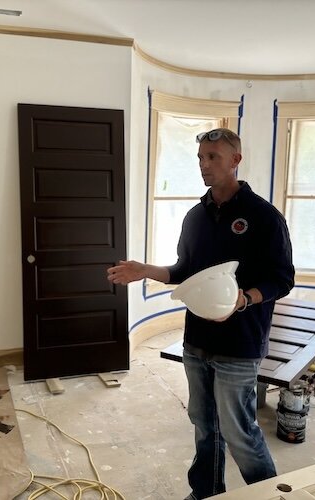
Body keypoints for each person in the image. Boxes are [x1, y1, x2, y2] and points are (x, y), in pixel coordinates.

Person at [107, 128, 294, 499]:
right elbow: (183, 272)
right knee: (205, 426)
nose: (204, 165)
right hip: (197, 342)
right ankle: (207, 493)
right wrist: (145, 270)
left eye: (213, 157)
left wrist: (243, 300)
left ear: (235, 160)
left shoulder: (264, 217)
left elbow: (282, 279)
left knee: (239, 431)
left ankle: (271, 495)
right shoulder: (195, 216)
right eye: (200, 158)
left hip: (240, 345)